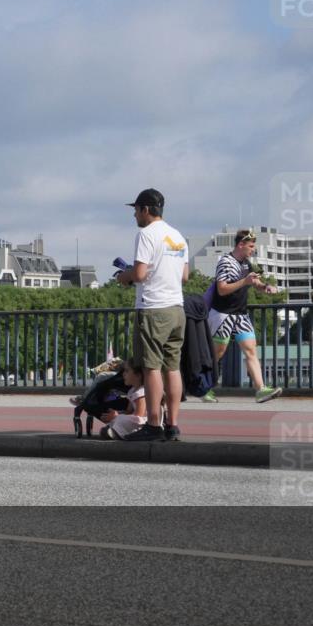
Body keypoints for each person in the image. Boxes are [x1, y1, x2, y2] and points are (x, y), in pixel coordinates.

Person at [116, 189, 189, 442]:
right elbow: (185, 276)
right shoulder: (178, 236)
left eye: (136, 210)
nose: (135, 215)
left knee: (151, 367)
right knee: (173, 367)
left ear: (146, 209)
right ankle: (173, 425)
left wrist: (123, 277)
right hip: (177, 309)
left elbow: (138, 274)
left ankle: (154, 424)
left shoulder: (146, 234)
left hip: (153, 308)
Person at [203, 229, 282, 403]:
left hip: (240, 315)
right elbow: (222, 289)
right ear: (241, 245)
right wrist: (244, 282)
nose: (253, 249)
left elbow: (254, 281)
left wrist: (264, 287)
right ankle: (204, 388)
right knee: (218, 353)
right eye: (251, 246)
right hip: (222, 315)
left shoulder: (246, 263)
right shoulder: (226, 262)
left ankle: (260, 389)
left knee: (251, 350)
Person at [98, 359, 147, 440]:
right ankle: (114, 431)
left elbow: (139, 416)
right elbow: (129, 411)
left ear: (138, 375)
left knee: (120, 419)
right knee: (118, 418)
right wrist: (116, 414)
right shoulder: (132, 391)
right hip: (134, 419)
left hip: (142, 422)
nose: (123, 374)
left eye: (127, 371)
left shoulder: (141, 392)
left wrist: (118, 416)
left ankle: (117, 433)